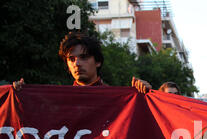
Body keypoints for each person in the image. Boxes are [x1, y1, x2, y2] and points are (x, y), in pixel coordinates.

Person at [13, 31, 151, 93]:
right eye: (71, 59)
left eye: (83, 57)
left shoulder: (119, 98)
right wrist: (22, 97)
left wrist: (144, 95)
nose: (77, 63)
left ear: (97, 62)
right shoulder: (58, 100)